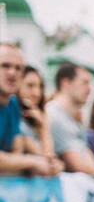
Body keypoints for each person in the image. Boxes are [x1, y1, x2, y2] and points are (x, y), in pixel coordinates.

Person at [48, 62, 94, 187]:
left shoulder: (72, 120)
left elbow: (86, 154)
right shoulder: (54, 115)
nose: (89, 89)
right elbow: (75, 162)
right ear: (65, 83)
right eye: (84, 83)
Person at [0, 43, 58, 176]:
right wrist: (33, 162)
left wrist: (43, 127)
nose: (12, 72)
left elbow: (16, 152)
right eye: (5, 66)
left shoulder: (12, 105)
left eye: (18, 68)